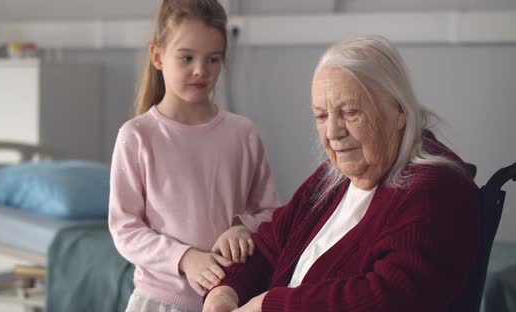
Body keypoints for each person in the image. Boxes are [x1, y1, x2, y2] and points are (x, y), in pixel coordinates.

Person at [203, 34, 480, 312]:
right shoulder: (332, 180)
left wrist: (269, 305)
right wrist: (224, 294)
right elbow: (267, 247)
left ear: (399, 111)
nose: (333, 132)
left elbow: (389, 297)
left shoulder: (436, 190)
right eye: (321, 116)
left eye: (350, 112)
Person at [108, 1, 280, 311]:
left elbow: (270, 213)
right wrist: (185, 258)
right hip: (159, 302)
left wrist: (243, 227)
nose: (201, 70)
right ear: (157, 56)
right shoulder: (137, 137)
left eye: (212, 59)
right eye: (187, 57)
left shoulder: (243, 133)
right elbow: (125, 228)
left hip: (229, 299)